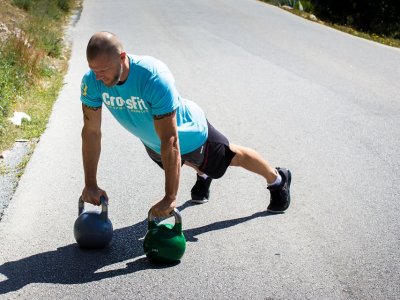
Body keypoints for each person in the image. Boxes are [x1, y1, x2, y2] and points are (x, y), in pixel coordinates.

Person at [80, 31, 292, 218]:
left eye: (104, 69)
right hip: (154, 143)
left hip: (190, 133)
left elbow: (171, 141)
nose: (98, 77)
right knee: (189, 161)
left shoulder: (153, 78)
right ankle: (202, 173)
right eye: (93, 70)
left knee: (232, 157)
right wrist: (90, 183)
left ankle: (277, 179)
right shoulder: (93, 81)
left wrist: (170, 197)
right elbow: (91, 133)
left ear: (122, 57)